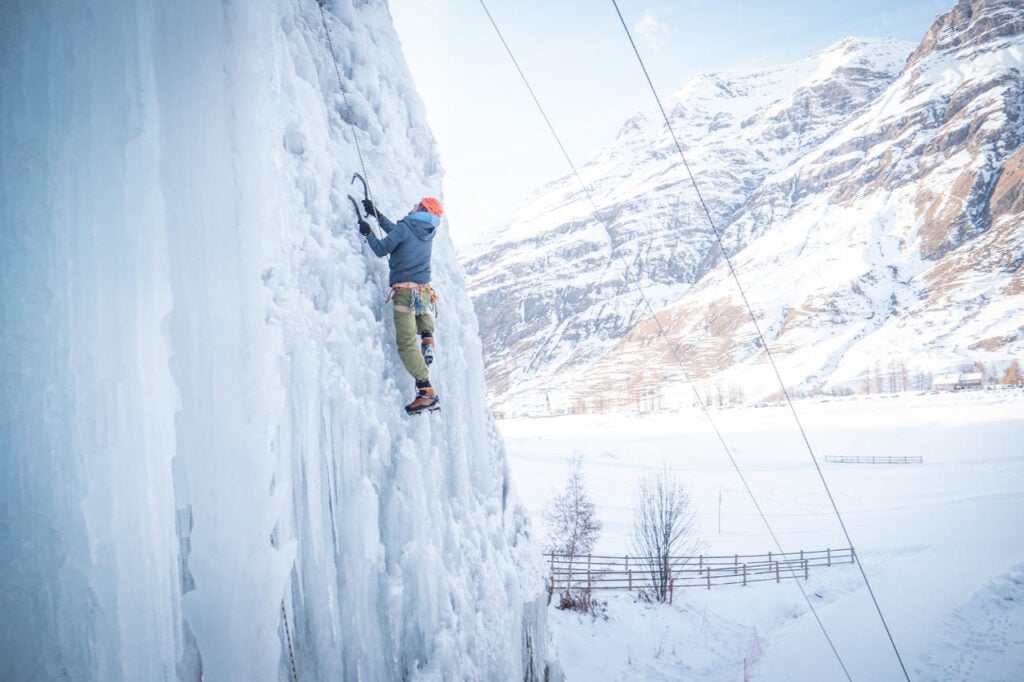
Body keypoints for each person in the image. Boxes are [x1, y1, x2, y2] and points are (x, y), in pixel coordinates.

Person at [359, 196, 443, 415]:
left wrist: (367, 232)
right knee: (420, 312)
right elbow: (400, 233)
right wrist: (377, 214)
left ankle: (426, 390)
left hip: (405, 294)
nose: (412, 206)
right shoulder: (426, 231)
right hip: (422, 293)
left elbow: (380, 249)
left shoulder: (407, 227)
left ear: (422, 209)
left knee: (406, 342)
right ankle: (427, 337)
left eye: (416, 205)